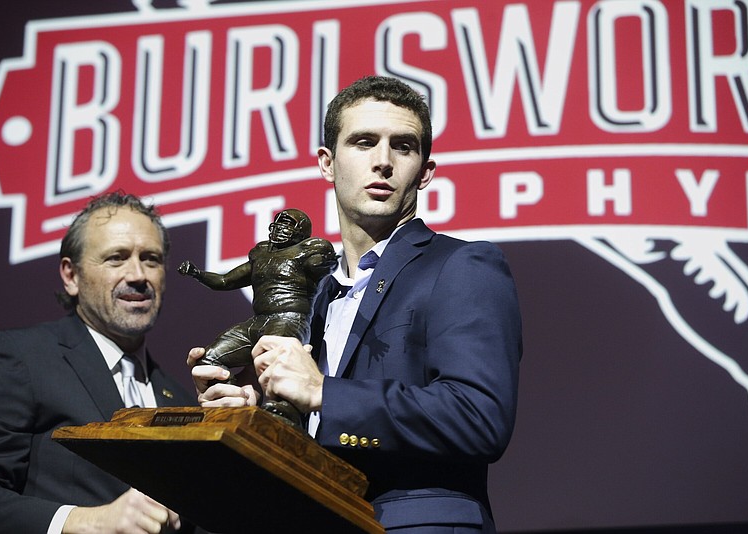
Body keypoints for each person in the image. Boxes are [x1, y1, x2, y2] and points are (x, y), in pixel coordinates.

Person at [190, 75, 523, 532]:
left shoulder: (463, 266)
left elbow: (479, 416)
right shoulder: (318, 294)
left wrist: (324, 392)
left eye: (403, 147)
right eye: (364, 142)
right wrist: (253, 416)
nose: (383, 162)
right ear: (327, 162)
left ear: (425, 171)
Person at [0, 191, 200, 534]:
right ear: (71, 276)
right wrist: (87, 521)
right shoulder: (21, 357)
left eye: (151, 259)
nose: (137, 275)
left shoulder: (181, 399)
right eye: (116, 258)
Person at [177, 208, 337, 426]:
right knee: (209, 358)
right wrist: (197, 274)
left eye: (287, 223)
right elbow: (226, 281)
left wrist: (325, 260)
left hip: (288, 318)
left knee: (278, 360)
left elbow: (324, 263)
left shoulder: (309, 251)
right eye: (278, 222)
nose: (280, 227)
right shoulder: (261, 253)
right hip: (258, 322)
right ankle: (230, 406)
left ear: (301, 231)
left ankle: (285, 416)